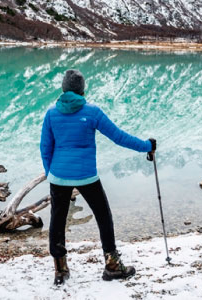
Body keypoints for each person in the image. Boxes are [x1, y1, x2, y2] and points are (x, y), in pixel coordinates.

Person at [40, 69, 156, 285]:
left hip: (59, 177)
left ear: (64, 89)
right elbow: (119, 137)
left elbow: (45, 148)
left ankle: (60, 270)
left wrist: (51, 174)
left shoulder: (51, 113)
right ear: (82, 90)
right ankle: (112, 266)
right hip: (86, 176)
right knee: (103, 215)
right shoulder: (92, 112)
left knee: (57, 220)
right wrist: (147, 146)